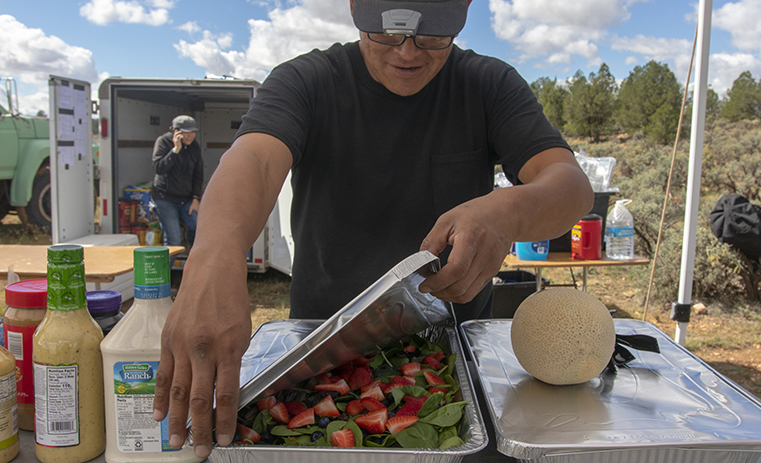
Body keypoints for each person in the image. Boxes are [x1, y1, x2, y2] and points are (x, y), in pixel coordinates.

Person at [153, 0, 594, 458]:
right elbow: (256, 160)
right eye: (386, 35)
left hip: (444, 374)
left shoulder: (488, 84)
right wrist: (214, 254)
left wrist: (509, 211)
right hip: (320, 363)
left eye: (432, 38)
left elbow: (571, 186)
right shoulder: (309, 81)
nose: (408, 53)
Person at [151, 115, 203, 249]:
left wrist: (196, 199)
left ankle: (194, 257)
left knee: (199, 230)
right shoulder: (163, 142)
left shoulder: (194, 147)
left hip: (186, 200)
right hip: (165, 199)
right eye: (187, 132)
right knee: (174, 240)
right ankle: (164, 269)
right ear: (176, 132)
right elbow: (159, 168)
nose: (190, 136)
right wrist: (175, 150)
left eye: (193, 132)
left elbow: (198, 175)